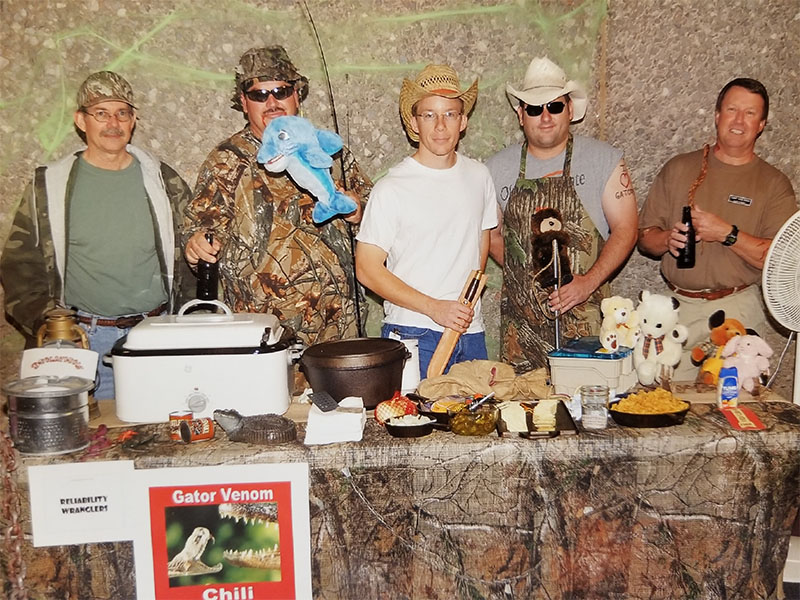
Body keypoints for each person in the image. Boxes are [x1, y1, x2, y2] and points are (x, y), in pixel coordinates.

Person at [0, 71, 192, 398]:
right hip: (83, 344)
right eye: (100, 114)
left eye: (122, 113)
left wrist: (190, 323)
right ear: (80, 120)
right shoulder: (49, 186)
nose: (113, 123)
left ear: (133, 120)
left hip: (155, 336)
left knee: (160, 436)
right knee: (90, 443)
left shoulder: (163, 180)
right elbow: (19, 264)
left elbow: (193, 251)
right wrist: (52, 327)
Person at [184, 46, 371, 347]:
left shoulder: (329, 150)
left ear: (297, 95)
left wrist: (359, 212)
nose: (271, 102)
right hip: (266, 340)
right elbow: (201, 229)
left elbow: (378, 217)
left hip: (342, 330)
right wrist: (197, 246)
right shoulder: (227, 160)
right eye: (259, 94)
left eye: (281, 91)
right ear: (244, 103)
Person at [638, 77, 797, 381]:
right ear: (717, 115)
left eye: (750, 113)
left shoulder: (773, 183)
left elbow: (781, 262)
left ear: (761, 124)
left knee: (734, 409)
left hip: (739, 312)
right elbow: (645, 238)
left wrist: (727, 234)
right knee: (669, 408)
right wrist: (667, 240)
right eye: (732, 109)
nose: (739, 120)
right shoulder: (679, 168)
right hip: (676, 310)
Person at [487, 57, 638, 372]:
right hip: (521, 333)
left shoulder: (605, 160)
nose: (544, 117)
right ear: (520, 115)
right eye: (533, 108)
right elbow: (492, 235)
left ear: (570, 110)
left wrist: (587, 283)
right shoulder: (495, 168)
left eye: (554, 107)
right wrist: (525, 278)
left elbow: (626, 229)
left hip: (586, 325)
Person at [355, 64, 498, 378]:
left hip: (469, 331)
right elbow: (366, 268)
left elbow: (480, 245)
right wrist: (435, 308)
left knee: (475, 424)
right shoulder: (391, 188)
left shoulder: (479, 176)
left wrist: (462, 308)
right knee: (415, 422)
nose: (440, 126)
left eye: (449, 114)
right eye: (429, 115)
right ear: (413, 122)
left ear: (463, 121)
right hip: (413, 332)